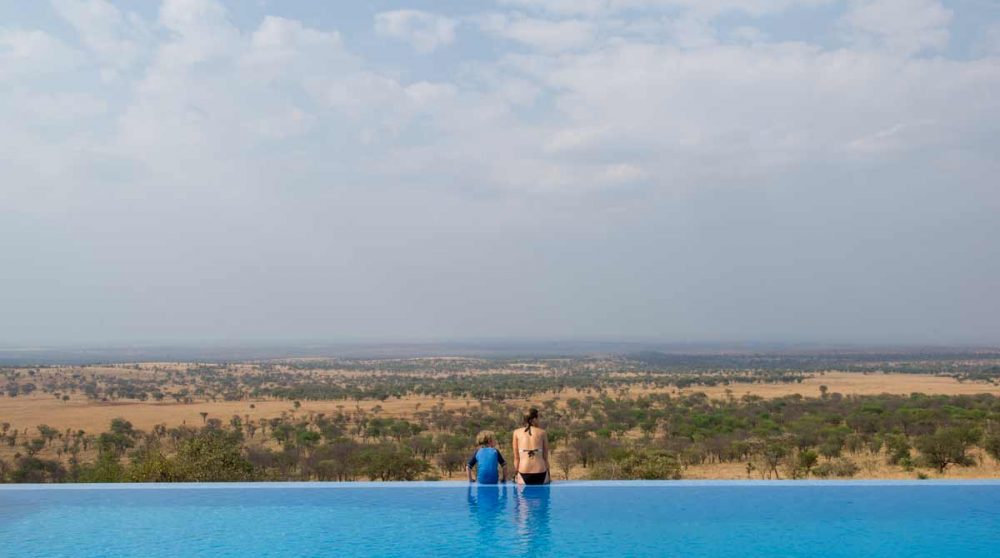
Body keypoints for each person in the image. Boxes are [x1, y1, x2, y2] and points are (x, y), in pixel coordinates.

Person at [512, 408, 550, 485]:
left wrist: (515, 474)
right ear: (534, 419)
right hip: (541, 473)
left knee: (521, 496)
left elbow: (516, 458)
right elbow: (545, 457)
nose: (539, 420)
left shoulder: (516, 433)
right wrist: (549, 474)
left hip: (524, 473)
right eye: (538, 418)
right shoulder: (542, 432)